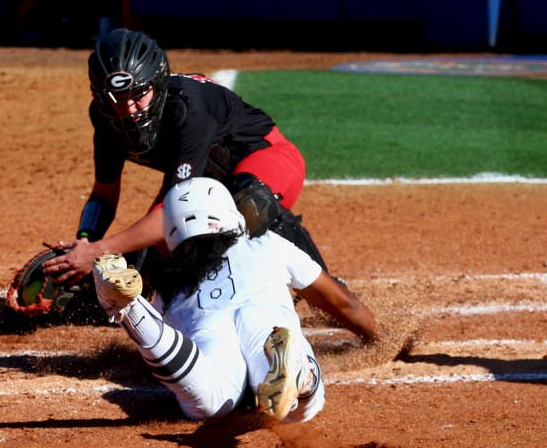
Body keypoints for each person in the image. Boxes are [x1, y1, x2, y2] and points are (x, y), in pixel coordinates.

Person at [42, 28, 329, 293]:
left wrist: (101, 249)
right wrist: (85, 240)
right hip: (206, 181)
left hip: (269, 161)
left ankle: (327, 285)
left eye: (138, 93)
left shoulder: (187, 106)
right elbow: (104, 193)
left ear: (157, 83)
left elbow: (170, 211)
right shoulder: (104, 117)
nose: (127, 108)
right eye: (115, 98)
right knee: (152, 263)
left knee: (248, 204)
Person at [92, 177, 378, 422]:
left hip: (209, 330)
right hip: (266, 322)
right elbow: (344, 304)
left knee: (210, 400)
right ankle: (298, 370)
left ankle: (130, 309)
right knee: (299, 409)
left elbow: (150, 366)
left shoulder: (170, 283)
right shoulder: (267, 245)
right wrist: (379, 338)